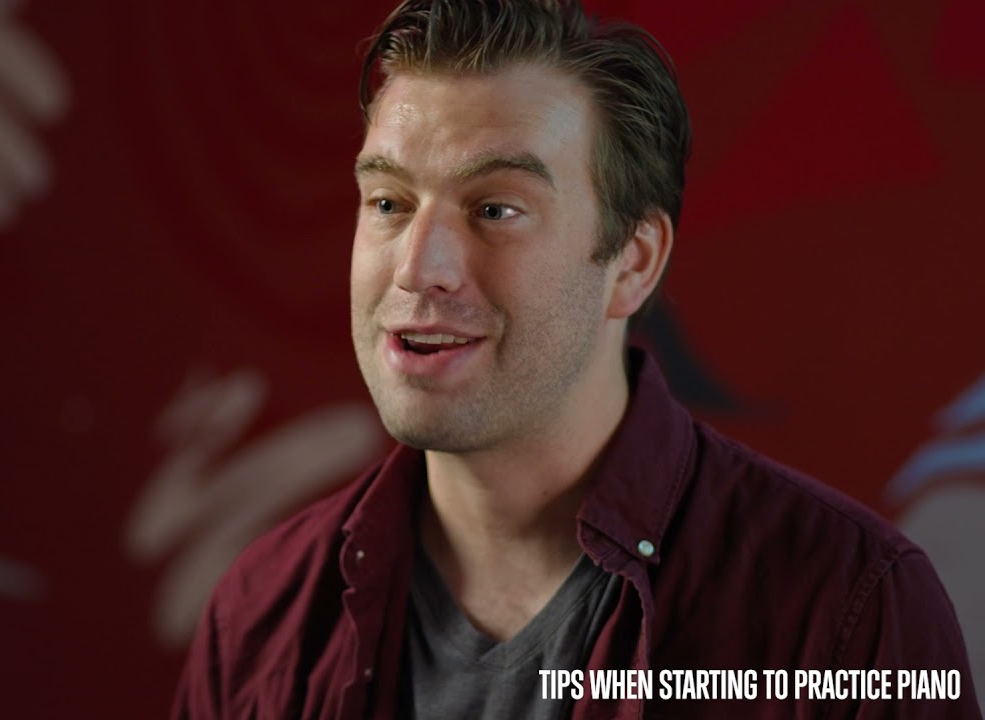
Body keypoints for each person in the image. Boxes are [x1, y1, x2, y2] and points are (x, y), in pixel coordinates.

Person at [172, 1, 980, 718]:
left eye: (495, 209)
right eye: (389, 203)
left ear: (633, 262)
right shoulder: (261, 615)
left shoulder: (848, 609)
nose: (418, 268)